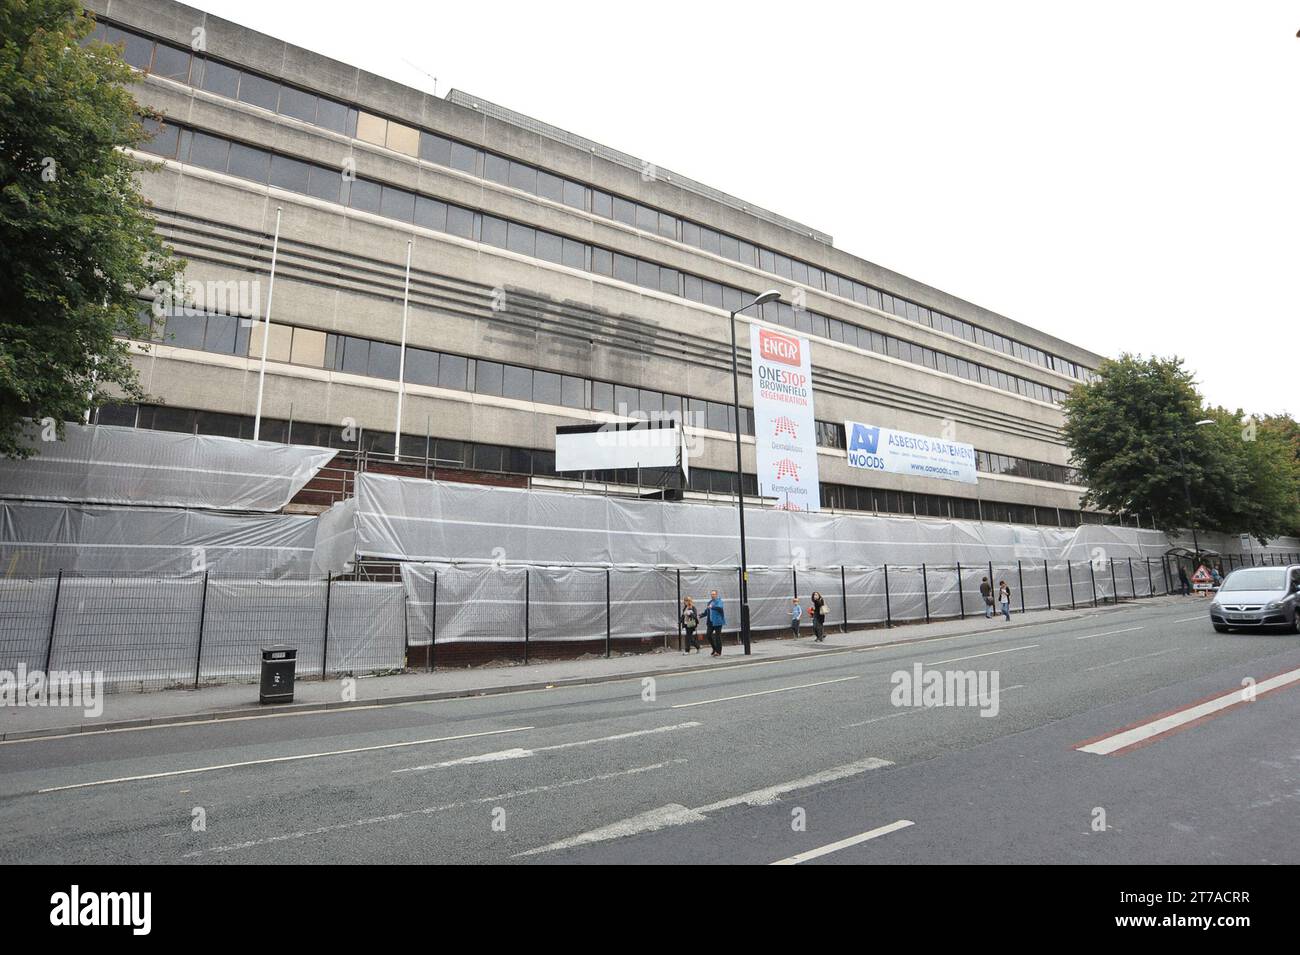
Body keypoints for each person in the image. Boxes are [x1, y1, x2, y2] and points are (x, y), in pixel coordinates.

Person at [703, 590, 725, 656]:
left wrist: (712, 607)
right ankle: (714, 648)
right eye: (711, 594)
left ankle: (718, 652)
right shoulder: (710, 602)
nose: (712, 595)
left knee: (717, 637)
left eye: (714, 594)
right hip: (710, 622)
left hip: (717, 622)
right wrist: (700, 615)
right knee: (708, 635)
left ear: (716, 595)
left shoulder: (719, 601)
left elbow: (720, 608)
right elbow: (707, 611)